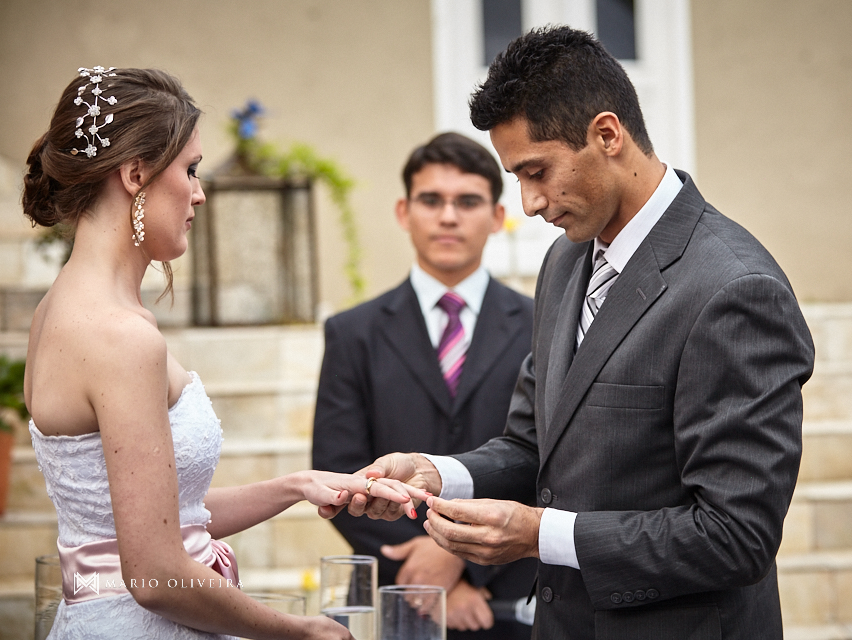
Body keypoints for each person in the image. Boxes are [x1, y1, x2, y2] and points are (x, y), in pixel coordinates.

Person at [331, 26, 816, 639]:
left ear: (607, 135)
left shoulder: (735, 289)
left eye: (538, 170)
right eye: (518, 179)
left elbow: (735, 536)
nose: (530, 203)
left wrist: (538, 534)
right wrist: (436, 473)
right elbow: (535, 446)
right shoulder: (566, 261)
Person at [22, 66, 424, 640]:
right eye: (189, 170)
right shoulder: (119, 336)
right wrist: (298, 630)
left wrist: (298, 486)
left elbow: (158, 519)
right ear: (135, 173)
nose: (199, 193)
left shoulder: (55, 312)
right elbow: (158, 576)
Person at [312, 132, 537, 639]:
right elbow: (339, 463)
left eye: (468, 201)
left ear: (498, 217)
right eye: (431, 200)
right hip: (393, 596)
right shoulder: (353, 332)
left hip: (513, 597)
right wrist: (423, 574)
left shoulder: (543, 324)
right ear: (403, 211)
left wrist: (462, 561)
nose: (449, 216)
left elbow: (552, 459)